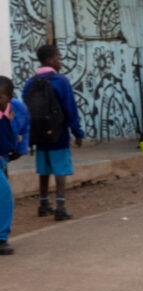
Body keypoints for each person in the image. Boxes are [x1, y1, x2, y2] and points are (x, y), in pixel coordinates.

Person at [23, 44, 84, 221]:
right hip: (58, 133)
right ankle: (60, 206)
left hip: (39, 135)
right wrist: (77, 132)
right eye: (58, 58)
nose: (60, 62)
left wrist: (28, 135)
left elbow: (26, 110)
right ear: (49, 59)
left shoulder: (31, 82)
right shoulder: (61, 81)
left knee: (43, 170)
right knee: (60, 170)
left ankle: (43, 204)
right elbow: (70, 108)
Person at [0, 76, 31, 254]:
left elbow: (25, 127)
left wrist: (21, 148)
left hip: (5, 156)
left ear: (10, 97)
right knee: (4, 194)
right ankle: (2, 238)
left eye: (0, 97)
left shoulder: (18, 109)